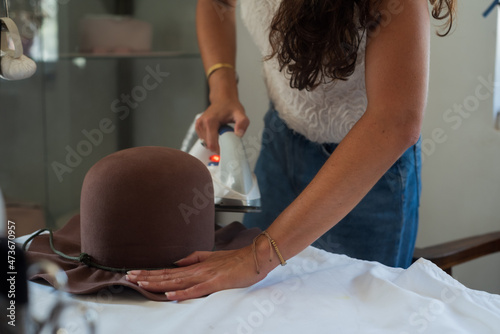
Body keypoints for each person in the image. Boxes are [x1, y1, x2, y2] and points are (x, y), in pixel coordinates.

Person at [126, 0, 456, 301]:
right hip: (281, 139)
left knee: (347, 309)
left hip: (367, 168)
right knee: (258, 301)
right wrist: (222, 86)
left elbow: (395, 120)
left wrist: (257, 256)